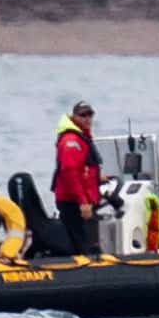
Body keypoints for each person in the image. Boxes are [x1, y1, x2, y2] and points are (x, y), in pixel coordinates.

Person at [51, 100, 102, 255]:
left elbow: (83, 168)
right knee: (82, 244)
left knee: (88, 241)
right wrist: (83, 202)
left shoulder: (82, 137)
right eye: (83, 115)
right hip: (73, 203)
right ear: (74, 117)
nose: (87, 119)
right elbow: (70, 174)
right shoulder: (71, 141)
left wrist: (98, 177)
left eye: (90, 115)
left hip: (81, 200)